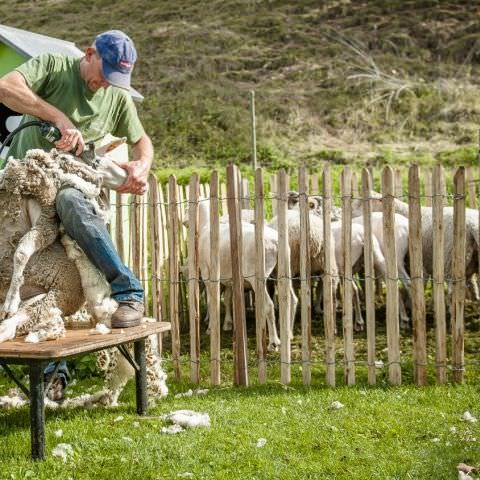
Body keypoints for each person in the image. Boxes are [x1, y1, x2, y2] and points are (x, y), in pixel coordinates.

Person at [0, 30, 152, 400]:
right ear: (89, 55)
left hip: (74, 184)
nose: (106, 85)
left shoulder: (115, 96)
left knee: (69, 199)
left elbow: (142, 141)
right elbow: (5, 87)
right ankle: (53, 371)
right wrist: (59, 117)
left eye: (117, 79)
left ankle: (128, 290)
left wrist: (141, 166)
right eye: (105, 74)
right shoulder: (52, 66)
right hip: (28, 176)